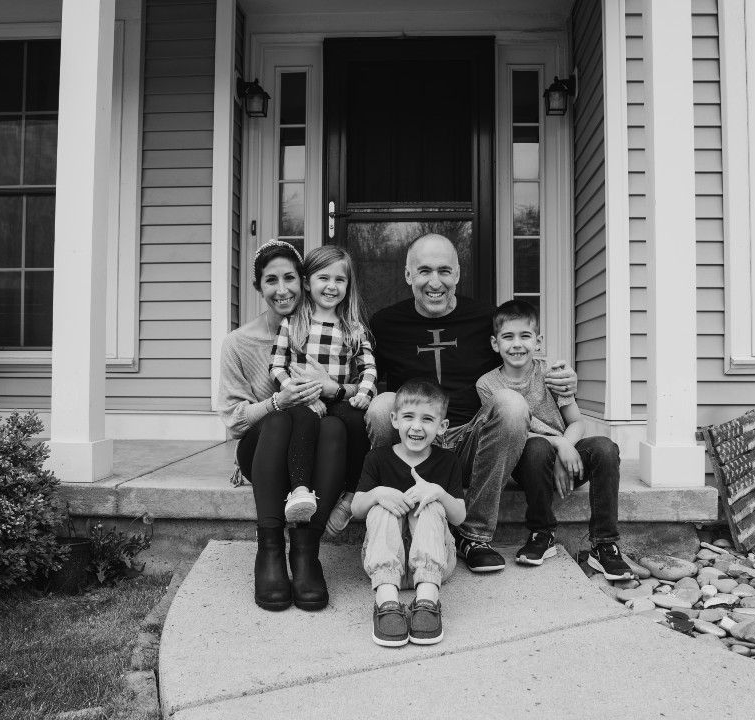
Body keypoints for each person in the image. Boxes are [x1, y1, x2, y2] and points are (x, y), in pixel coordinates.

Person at [366, 233, 577, 573]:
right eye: (424, 271)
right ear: (408, 275)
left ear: (458, 274)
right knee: (381, 406)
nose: (435, 282)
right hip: (414, 437)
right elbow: (364, 378)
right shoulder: (385, 324)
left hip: (470, 439)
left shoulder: (484, 319)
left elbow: (522, 355)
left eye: (444, 271)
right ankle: (397, 521)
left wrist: (563, 375)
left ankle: (474, 535)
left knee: (510, 404)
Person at [217, 240, 347, 612]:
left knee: (335, 430)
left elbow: (347, 394)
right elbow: (234, 419)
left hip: (313, 447)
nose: (282, 289)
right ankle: (270, 550)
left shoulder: (327, 331)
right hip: (262, 448)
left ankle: (306, 554)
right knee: (278, 420)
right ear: (259, 287)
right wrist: (277, 402)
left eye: (290, 277)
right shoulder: (238, 343)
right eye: (271, 280)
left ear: (304, 282)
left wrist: (334, 389)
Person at [477, 300, 631, 579]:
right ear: (494, 343)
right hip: (529, 461)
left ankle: (605, 544)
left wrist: (566, 447)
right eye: (507, 337)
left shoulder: (552, 374)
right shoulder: (487, 384)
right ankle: (541, 533)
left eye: (525, 336)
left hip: (566, 455)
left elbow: (576, 422)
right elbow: (514, 435)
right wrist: (558, 444)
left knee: (605, 448)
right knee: (536, 447)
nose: (517, 344)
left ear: (538, 341)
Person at [352, 379, 466, 647]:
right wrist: (379, 492)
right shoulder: (377, 459)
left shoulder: (447, 461)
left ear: (442, 427)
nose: (416, 426)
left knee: (430, 504)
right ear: (394, 420)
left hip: (433, 565)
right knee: (381, 506)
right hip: (384, 563)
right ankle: (387, 602)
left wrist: (436, 491)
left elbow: (459, 516)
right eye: (408, 417)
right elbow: (357, 509)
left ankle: (427, 601)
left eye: (427, 419)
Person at [270, 246, 375, 525]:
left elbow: (369, 368)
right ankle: (300, 491)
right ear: (307, 282)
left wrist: (364, 393)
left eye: (340, 280)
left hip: (338, 399)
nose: (332, 286)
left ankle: (352, 494)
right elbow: (277, 366)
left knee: (356, 421)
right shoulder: (292, 322)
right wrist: (302, 393)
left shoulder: (353, 327)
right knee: (302, 421)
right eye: (323, 278)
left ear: (348, 285)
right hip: (301, 399)